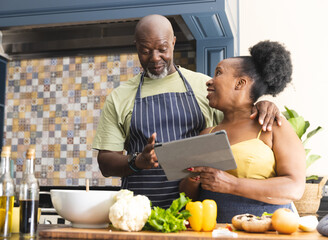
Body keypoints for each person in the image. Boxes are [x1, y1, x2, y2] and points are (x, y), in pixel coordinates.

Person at [93, 14, 282, 208]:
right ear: (137, 47)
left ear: (173, 43)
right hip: (140, 212)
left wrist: (262, 105)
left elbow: (239, 119)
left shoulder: (205, 86)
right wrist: (137, 161)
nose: (155, 57)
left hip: (198, 212)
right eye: (145, 51)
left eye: (162, 49)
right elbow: (106, 163)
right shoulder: (119, 97)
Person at [179, 40, 306, 222]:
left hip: (267, 232)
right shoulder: (206, 134)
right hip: (216, 233)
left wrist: (232, 185)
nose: (209, 81)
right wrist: (193, 180)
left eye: (218, 73)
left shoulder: (272, 125)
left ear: (240, 83)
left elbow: (294, 187)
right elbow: (188, 197)